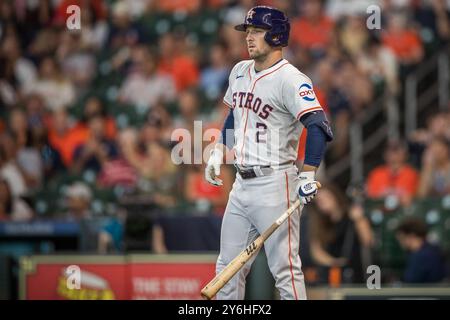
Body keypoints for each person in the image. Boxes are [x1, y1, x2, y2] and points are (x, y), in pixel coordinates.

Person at [205, 6, 333, 300]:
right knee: (227, 267)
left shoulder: (291, 79)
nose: (249, 37)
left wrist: (308, 173)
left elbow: (318, 125)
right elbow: (234, 116)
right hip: (241, 184)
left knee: (285, 270)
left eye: (256, 31)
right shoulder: (239, 70)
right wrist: (218, 152)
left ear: (276, 35)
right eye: (247, 31)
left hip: (276, 183)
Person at [395, 217, 447, 283]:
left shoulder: (422, 256)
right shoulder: (433, 250)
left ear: (411, 236)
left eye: (401, 239)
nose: (400, 243)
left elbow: (410, 282)